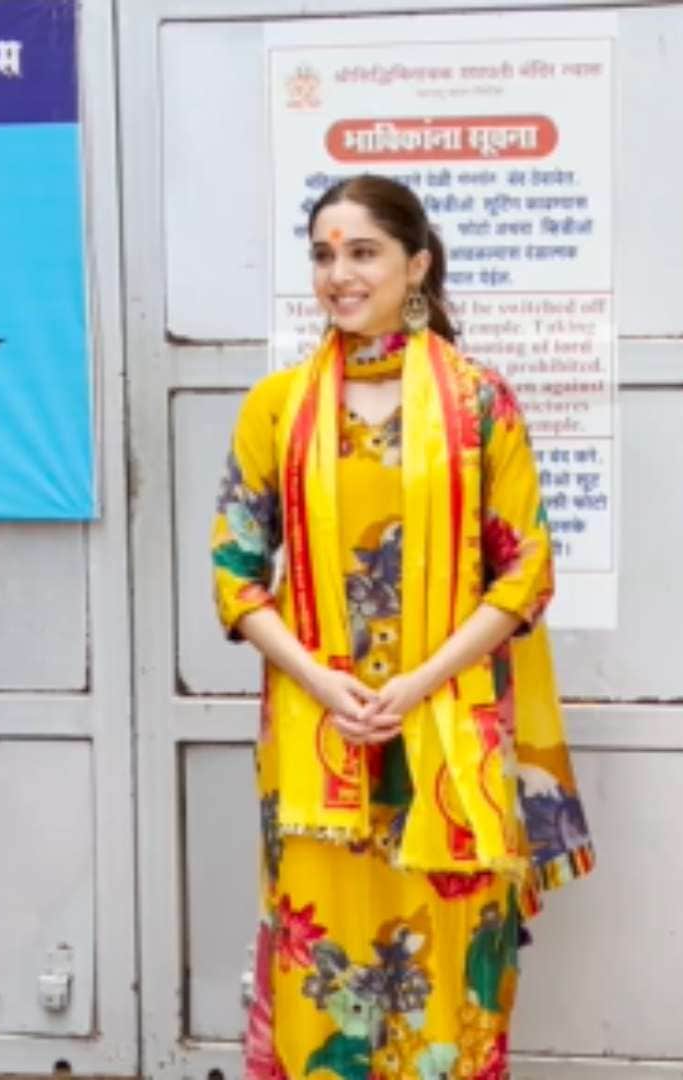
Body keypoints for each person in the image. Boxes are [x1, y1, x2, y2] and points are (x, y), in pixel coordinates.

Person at [211, 174, 595, 1080]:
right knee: (323, 983)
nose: (338, 274)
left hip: (447, 741)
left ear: (415, 264)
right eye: (322, 254)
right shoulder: (276, 408)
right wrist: (320, 682)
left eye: (362, 251)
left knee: (449, 977)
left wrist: (414, 686)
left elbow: (526, 573)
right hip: (320, 738)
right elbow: (234, 577)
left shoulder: (482, 404)